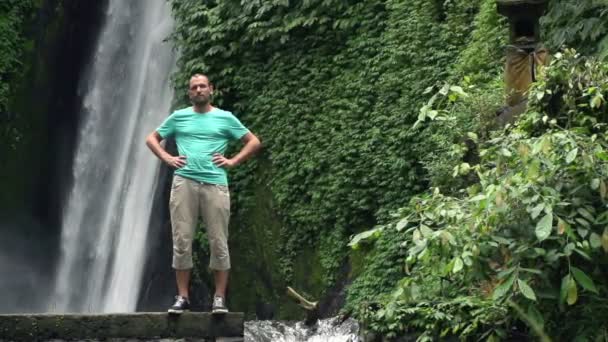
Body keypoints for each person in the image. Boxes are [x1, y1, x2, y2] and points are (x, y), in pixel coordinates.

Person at [145, 74, 261, 314]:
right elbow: (152, 139)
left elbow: (253, 141)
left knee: (218, 241)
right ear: (189, 93)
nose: (198, 90)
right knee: (181, 241)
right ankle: (183, 297)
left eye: (202, 86)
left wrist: (233, 161)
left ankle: (219, 298)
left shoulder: (225, 118)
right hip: (183, 182)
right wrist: (167, 157)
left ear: (211, 90)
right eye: (194, 87)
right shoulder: (179, 117)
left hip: (215, 184)